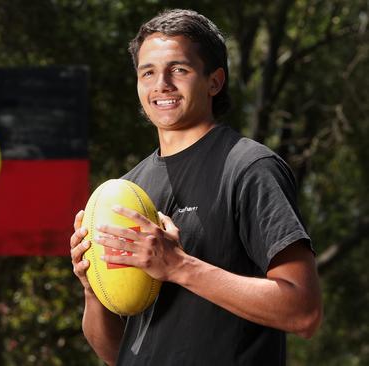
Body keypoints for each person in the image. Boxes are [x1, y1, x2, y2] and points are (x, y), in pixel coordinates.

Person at [69, 9, 322, 366]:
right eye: (148, 73)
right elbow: (116, 354)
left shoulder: (249, 168)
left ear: (214, 81)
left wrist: (178, 266)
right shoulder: (127, 188)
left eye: (179, 70)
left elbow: (304, 311)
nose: (162, 85)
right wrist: (92, 289)